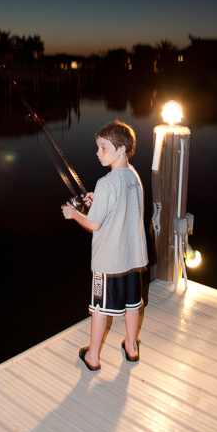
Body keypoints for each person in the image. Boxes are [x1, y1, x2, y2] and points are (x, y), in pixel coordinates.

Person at [61, 120, 148, 371]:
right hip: (133, 257)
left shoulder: (106, 182)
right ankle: (131, 348)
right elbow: (121, 206)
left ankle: (93, 357)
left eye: (103, 148)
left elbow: (94, 225)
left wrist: (75, 215)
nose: (98, 153)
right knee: (133, 306)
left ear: (121, 149)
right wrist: (96, 201)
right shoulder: (133, 176)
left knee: (99, 309)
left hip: (108, 262)